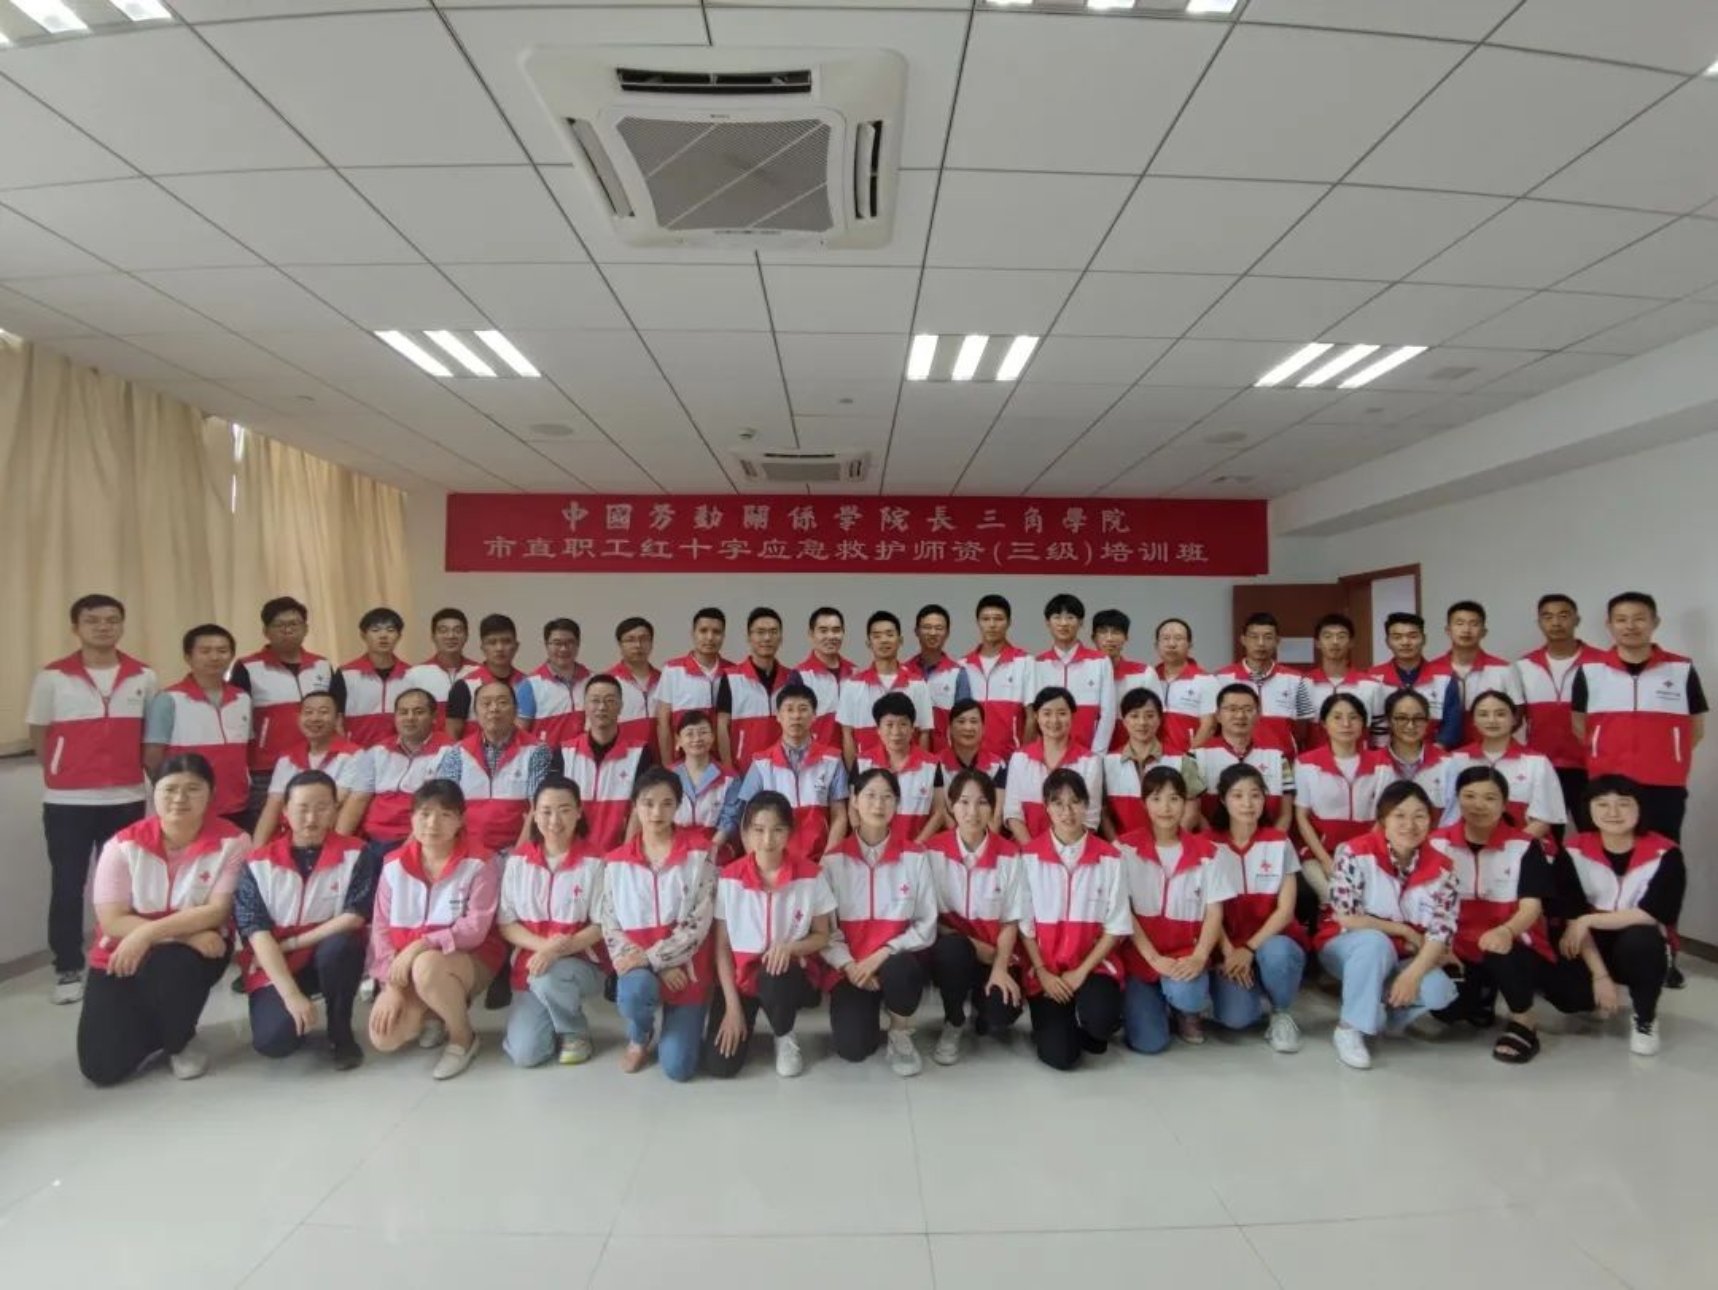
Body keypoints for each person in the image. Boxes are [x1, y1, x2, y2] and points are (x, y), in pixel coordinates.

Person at [76, 754, 247, 1085]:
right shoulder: (122, 845)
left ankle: (179, 1040)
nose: (180, 798)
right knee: (101, 1068)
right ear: (153, 793)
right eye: (169, 789)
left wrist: (150, 935)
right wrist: (178, 934)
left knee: (172, 963)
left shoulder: (233, 842)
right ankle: (159, 1026)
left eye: (192, 789)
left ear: (211, 794)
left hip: (196, 952)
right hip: (127, 946)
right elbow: (112, 921)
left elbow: (217, 911)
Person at [31, 595, 158, 1003]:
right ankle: (67, 966)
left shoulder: (143, 676)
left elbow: (150, 735)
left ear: (122, 625)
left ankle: (123, 954)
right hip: (67, 801)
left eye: (112, 620)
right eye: (93, 621)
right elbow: (40, 734)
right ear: (76, 627)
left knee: (124, 885)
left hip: (126, 795)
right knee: (68, 884)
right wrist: (62, 769)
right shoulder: (53, 677)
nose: (103, 627)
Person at [1315, 781, 1460, 1070]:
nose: (1410, 825)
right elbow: (1347, 917)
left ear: (1430, 821)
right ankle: (1350, 1027)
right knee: (1374, 943)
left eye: (1419, 816)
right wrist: (1404, 931)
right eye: (1399, 815)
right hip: (1347, 946)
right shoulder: (1355, 852)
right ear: (1383, 820)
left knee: (1438, 990)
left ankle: (1383, 1015)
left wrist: (1412, 976)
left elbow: (1440, 932)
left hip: (1404, 955)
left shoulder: (1444, 868)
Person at [234, 770, 374, 1070]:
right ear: (285, 811)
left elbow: (354, 916)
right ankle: (294, 1006)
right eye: (302, 808)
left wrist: (293, 943)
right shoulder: (258, 863)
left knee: (342, 945)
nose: (311, 818)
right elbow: (256, 931)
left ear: (335, 809)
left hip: (327, 953)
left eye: (322, 808)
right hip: (275, 960)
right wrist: (290, 994)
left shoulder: (357, 853)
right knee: (274, 1041)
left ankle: (340, 1031)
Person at [1428, 767, 1569, 1063]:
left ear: (1505, 804)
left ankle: (1524, 1022)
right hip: (1458, 948)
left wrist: (1506, 931)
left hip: (1512, 943)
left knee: (1501, 951)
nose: (1478, 805)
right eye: (1469, 796)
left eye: (1489, 798)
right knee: (1447, 1011)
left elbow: (1531, 908)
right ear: (1457, 800)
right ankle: (1483, 995)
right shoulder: (1436, 842)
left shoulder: (1524, 846)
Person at [367, 780, 504, 1079]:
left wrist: (420, 946)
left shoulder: (480, 862)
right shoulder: (393, 865)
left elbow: (474, 929)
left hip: (468, 958)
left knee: (427, 966)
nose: (432, 824)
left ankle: (463, 1037)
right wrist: (390, 986)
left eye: (445, 815)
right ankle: (435, 1013)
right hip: (407, 965)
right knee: (384, 1037)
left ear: (460, 820)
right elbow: (380, 929)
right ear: (412, 818)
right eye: (425, 814)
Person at [705, 791, 837, 1079]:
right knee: (720, 1066)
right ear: (745, 833)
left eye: (777, 830)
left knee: (775, 974)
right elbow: (722, 947)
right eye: (759, 830)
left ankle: (784, 1033)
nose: (767, 840)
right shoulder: (729, 878)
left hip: (788, 976)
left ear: (789, 832)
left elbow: (822, 936)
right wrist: (732, 1008)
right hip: (742, 981)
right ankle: (749, 1015)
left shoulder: (811, 875)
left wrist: (790, 948)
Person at [820, 767, 938, 1076]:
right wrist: (850, 966)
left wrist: (883, 954)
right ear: (854, 801)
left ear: (897, 804)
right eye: (870, 796)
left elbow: (926, 924)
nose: (878, 804)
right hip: (852, 970)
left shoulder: (915, 857)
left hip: (894, 962)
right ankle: (870, 1009)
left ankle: (900, 1030)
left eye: (887, 797)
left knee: (902, 969)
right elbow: (826, 933)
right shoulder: (832, 862)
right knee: (853, 1049)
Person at [600, 767, 716, 1080]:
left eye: (667, 803)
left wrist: (655, 958)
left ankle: (684, 1018)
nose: (656, 813)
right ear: (635, 806)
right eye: (648, 803)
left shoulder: (700, 855)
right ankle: (640, 1034)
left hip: (686, 971)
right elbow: (610, 925)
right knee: (636, 990)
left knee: (678, 1068)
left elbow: (699, 924)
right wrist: (656, 965)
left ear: (678, 806)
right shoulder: (616, 862)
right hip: (642, 968)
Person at [1560, 775, 1687, 1055]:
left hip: (1638, 934)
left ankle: (1645, 1018)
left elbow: (1653, 913)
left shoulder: (1665, 852)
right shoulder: (1572, 850)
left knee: (1641, 941)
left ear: (1640, 808)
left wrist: (1589, 919)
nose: (1613, 812)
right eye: (1602, 804)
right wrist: (1600, 976)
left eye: (1624, 803)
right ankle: (1596, 994)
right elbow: (1572, 915)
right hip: (1590, 940)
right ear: (1588, 809)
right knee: (1568, 993)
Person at [1016, 768, 1131, 1070]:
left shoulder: (1111, 858)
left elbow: (1116, 927)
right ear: (1046, 807)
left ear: (1087, 805)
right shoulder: (1027, 857)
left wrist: (1081, 972)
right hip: (1047, 972)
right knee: (1062, 1057)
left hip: (1092, 968)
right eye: (1058, 803)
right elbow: (1024, 926)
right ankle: (1057, 1023)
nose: (1067, 812)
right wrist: (1042, 972)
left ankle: (1086, 1017)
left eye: (1075, 802)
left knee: (1100, 1028)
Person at [1114, 766, 1236, 1052]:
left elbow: (1214, 912)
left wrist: (1199, 956)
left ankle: (1186, 1010)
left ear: (1186, 803)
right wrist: (1154, 958)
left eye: (1174, 799)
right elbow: (1122, 910)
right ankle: (1152, 1003)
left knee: (1188, 995)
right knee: (1149, 1043)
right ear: (1144, 803)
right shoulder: (1123, 849)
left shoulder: (1208, 852)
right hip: (1141, 958)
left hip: (1186, 955)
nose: (1165, 808)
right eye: (1156, 799)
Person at [1572, 591, 1706, 844]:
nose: (1630, 626)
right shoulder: (1590, 671)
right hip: (1607, 782)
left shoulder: (1681, 669)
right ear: (1609, 625)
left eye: (1639, 619)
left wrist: (1669, 755)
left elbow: (1696, 729)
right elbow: (1579, 726)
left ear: (1655, 622)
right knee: (1608, 853)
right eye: (1621, 619)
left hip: (1665, 781)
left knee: (1663, 852)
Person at [496, 777, 607, 1068]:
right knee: (526, 1054)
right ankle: (550, 1016)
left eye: (564, 810)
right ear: (533, 813)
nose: (554, 820)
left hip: (580, 965)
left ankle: (574, 1031)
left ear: (579, 811)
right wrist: (545, 948)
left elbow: (600, 926)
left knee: (549, 978)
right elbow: (506, 923)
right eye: (545, 811)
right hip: (531, 965)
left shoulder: (596, 862)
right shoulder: (518, 862)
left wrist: (556, 952)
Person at [922, 770, 1027, 1065]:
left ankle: (982, 1007)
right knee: (954, 950)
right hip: (950, 953)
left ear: (992, 808)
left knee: (1001, 1013)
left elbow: (1011, 919)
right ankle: (954, 1021)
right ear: (951, 806)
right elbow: (925, 918)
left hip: (995, 955)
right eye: (964, 802)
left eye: (982, 803)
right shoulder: (932, 853)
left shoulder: (1010, 855)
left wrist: (1000, 968)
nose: (972, 812)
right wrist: (971, 944)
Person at [1211, 765, 1306, 1053]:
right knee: (1237, 1018)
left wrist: (1249, 949)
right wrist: (1230, 952)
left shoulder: (1279, 842)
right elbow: (1207, 911)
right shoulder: (1208, 845)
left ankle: (1281, 1011)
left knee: (1278, 953)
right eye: (1238, 795)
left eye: (1255, 795)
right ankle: (1255, 989)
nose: (1247, 804)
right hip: (1228, 948)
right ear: (1223, 800)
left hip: (1271, 941)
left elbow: (1285, 911)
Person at [715, 682, 849, 861]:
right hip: (773, 862)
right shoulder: (761, 763)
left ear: (814, 716)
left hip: (819, 861)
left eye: (803, 709)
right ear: (778, 716)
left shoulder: (832, 760)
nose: (796, 716)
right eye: (789, 709)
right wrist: (758, 862)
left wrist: (828, 861)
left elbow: (839, 815)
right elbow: (746, 818)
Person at [230, 596, 335, 822]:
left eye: (294, 624)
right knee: (269, 825)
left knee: (314, 824)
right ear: (266, 631)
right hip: (267, 766)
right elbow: (236, 720)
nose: (287, 630)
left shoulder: (322, 665)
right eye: (279, 625)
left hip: (317, 760)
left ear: (305, 628)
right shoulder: (248, 667)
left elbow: (334, 713)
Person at [144, 624, 252, 828]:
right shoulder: (169, 699)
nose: (214, 657)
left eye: (222, 651)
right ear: (188, 657)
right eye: (205, 651)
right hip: (187, 806)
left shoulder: (242, 698)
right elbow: (152, 757)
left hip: (237, 802)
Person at [1516, 594, 1604, 834]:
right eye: (1548, 617)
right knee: (1546, 840)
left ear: (1577, 620)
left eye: (1563, 616)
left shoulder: (1602, 663)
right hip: (1542, 767)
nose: (1556, 622)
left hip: (1590, 766)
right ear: (1539, 623)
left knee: (1595, 835)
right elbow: (1515, 719)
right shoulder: (1524, 666)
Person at [434, 678, 552, 853]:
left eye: (502, 702)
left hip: (517, 848)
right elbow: (445, 805)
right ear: (475, 712)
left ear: (515, 710)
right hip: (468, 850)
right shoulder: (457, 753)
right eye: (486, 703)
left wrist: (519, 855)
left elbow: (538, 807)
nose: (494, 708)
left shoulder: (537, 751)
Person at [1294, 694, 1387, 907]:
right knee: (1332, 897)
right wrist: (1326, 861)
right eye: (1337, 717)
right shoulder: (1306, 763)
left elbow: (1385, 815)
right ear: (1324, 723)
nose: (1346, 724)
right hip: (1320, 854)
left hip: (1369, 851)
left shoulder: (1382, 763)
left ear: (1363, 723)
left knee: (1368, 901)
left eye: (1353, 717)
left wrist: (1359, 856)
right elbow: (1301, 816)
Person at [336, 687, 450, 856]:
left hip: (417, 842)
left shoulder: (450, 752)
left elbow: (436, 810)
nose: (410, 718)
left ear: (434, 717)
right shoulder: (377, 751)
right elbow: (358, 799)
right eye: (403, 712)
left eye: (418, 712)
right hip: (372, 840)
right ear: (395, 717)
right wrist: (337, 845)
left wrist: (402, 856)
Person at [1442, 691, 1567, 838]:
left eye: (1500, 714)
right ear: (1473, 721)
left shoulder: (1537, 762)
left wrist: (1513, 847)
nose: (1492, 720)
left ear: (1514, 719)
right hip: (1464, 845)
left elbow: (1542, 821)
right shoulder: (1456, 760)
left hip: (1522, 845)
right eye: (1483, 714)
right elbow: (1449, 814)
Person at [1181, 684, 1295, 832]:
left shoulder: (1277, 757)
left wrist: (1270, 842)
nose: (1240, 715)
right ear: (1218, 715)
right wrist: (1214, 842)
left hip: (1266, 841)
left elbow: (1285, 815)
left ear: (1258, 715)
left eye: (1248, 709)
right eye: (1232, 709)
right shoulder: (1196, 756)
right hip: (1210, 841)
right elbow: (1194, 812)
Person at [1195, 612, 1314, 754]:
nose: (1261, 643)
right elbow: (1211, 724)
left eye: (1268, 637)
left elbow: (1304, 730)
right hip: (1233, 759)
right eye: (1254, 637)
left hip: (1282, 759)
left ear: (1277, 641)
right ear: (1243, 640)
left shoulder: (1296, 679)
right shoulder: (1220, 679)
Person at [559, 674, 653, 853]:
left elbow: (641, 809)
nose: (602, 707)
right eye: (595, 700)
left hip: (621, 855)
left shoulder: (640, 753)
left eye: (610, 700)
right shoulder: (564, 753)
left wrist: (625, 856)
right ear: (585, 706)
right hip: (573, 856)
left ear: (621, 706)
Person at [250, 693, 357, 845]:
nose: (315, 718)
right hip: (285, 840)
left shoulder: (353, 756)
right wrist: (257, 852)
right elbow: (273, 806)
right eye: (308, 712)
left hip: (327, 839)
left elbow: (333, 805)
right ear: (298, 718)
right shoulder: (287, 757)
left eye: (323, 712)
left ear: (338, 719)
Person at [1003, 687, 1103, 843]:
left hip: (1073, 851)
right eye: (1047, 713)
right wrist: (1034, 852)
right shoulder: (1019, 758)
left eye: (1062, 713)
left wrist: (1062, 851)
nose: (1054, 721)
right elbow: (1013, 814)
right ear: (1036, 716)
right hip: (1025, 850)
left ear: (1072, 716)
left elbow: (1090, 819)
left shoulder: (1090, 762)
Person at [837, 610, 934, 765]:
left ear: (900, 640)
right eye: (877, 636)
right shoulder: (852, 686)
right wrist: (855, 775)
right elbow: (847, 735)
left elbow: (924, 733)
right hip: (867, 773)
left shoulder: (918, 684)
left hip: (907, 772)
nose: (884, 640)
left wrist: (920, 770)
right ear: (869, 643)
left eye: (890, 634)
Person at [855, 692, 945, 845]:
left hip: (917, 850)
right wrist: (869, 845)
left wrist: (914, 847)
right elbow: (853, 809)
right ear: (878, 729)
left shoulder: (931, 765)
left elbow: (939, 812)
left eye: (903, 724)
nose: (896, 732)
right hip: (873, 849)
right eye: (889, 725)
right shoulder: (862, 763)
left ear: (912, 728)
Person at [1034, 593, 1117, 755]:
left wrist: (1096, 755)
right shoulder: (1037, 664)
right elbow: (1034, 715)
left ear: (1081, 622)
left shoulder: (1100, 661)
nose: (1063, 623)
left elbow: (1108, 713)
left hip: (1088, 754)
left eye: (1070, 617)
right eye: (1057, 617)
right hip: (1048, 755)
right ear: (1047, 623)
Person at [1366, 611, 1461, 749]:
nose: (1405, 642)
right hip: (1383, 756)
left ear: (1424, 639)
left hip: (1433, 754)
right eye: (1397, 637)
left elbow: (1452, 726)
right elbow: (1367, 726)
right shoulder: (1372, 678)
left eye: (1413, 636)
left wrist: (1431, 754)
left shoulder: (1445, 676)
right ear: (1388, 642)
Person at [715, 607, 793, 770]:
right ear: (749, 637)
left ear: (781, 638)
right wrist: (728, 769)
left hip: (783, 768)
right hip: (744, 769)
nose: (767, 637)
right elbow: (722, 726)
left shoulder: (791, 678)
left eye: (773, 632)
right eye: (760, 632)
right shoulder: (731, 677)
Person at [961, 593, 1035, 765]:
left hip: (1011, 761)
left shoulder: (1025, 662)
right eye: (986, 619)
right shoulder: (963, 665)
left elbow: (1031, 718)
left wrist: (1023, 760)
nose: (992, 625)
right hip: (972, 761)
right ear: (978, 622)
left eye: (998, 619)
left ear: (1009, 622)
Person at [654, 607, 730, 766]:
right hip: (683, 762)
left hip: (722, 762)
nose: (710, 637)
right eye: (703, 631)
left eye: (716, 632)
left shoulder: (733, 672)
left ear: (723, 636)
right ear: (693, 633)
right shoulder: (672, 670)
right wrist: (668, 766)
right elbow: (663, 723)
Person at [444, 613, 536, 741]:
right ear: (483, 648)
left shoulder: (529, 684)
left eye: (506, 641)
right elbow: (452, 735)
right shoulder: (464, 686)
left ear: (516, 646)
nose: (499, 648)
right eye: (492, 642)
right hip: (474, 753)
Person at [327, 607, 410, 748]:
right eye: (375, 630)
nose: (383, 635)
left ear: (399, 636)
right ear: (363, 635)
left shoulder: (411, 674)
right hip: (357, 752)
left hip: (399, 753)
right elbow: (335, 719)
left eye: (390, 630)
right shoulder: (346, 674)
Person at [1302, 613, 1385, 750]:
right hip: (1313, 760)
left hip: (1360, 760)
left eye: (1341, 636)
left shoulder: (1371, 685)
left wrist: (1378, 759)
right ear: (1317, 643)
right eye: (1327, 636)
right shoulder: (1303, 684)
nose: (1335, 642)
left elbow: (1381, 732)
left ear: (1351, 642)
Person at [1101, 688, 1171, 839]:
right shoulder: (1108, 762)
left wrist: (1165, 843)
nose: (1142, 722)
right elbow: (1103, 813)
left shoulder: (1180, 759)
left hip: (1167, 846)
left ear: (1160, 719)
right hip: (1123, 847)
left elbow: (1191, 811)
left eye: (1149, 716)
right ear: (1124, 721)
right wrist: (1117, 846)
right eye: (1134, 716)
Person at [1372, 688, 1453, 817]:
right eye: (1402, 718)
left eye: (1418, 718)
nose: (1410, 725)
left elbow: (1451, 815)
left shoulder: (1448, 764)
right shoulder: (1371, 765)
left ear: (1427, 721)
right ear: (1389, 721)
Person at [907, 603, 972, 753]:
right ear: (916, 631)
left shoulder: (958, 673)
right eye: (927, 627)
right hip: (908, 756)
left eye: (939, 628)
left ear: (947, 633)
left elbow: (964, 721)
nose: (933, 632)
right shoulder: (903, 671)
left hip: (946, 756)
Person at [400, 607, 479, 729]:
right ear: (433, 636)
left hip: (471, 741)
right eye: (443, 630)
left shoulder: (479, 672)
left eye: (457, 630)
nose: (451, 636)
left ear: (466, 636)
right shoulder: (415, 675)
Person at [669, 711, 735, 851]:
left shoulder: (730, 778)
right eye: (690, 734)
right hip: (673, 848)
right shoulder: (666, 776)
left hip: (716, 850)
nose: (697, 738)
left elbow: (730, 820)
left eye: (703, 732)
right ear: (678, 740)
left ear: (712, 737)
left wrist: (710, 851)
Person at [523, 617, 590, 748]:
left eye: (570, 642)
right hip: (547, 759)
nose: (564, 649)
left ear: (578, 644)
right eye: (557, 643)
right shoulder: (530, 685)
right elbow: (520, 734)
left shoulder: (593, 681)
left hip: (584, 757)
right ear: (546, 645)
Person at [1092, 609, 1152, 752]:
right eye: (1103, 632)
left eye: (1116, 632)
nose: (1109, 638)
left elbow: (1155, 718)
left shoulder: (1144, 673)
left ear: (1126, 637)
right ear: (1093, 637)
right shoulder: (1082, 673)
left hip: (1130, 753)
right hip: (1087, 752)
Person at [1149, 617, 1209, 756]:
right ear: (1156, 645)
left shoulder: (1206, 680)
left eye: (1178, 638)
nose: (1171, 644)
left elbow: (1209, 726)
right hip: (1153, 758)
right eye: (1166, 638)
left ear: (1190, 645)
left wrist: (1189, 757)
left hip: (1188, 758)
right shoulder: (1149, 678)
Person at [795, 606, 853, 747]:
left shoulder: (854, 673)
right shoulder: (800, 676)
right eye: (823, 631)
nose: (831, 636)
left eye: (836, 630)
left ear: (843, 632)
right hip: (816, 757)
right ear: (811, 634)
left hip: (853, 756)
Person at [608, 615, 661, 750]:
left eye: (644, 639)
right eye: (630, 640)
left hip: (659, 757)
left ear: (651, 643)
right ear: (620, 644)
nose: (638, 645)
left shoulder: (664, 680)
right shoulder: (608, 682)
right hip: (623, 756)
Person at [940, 697, 1008, 790]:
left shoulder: (997, 766)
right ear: (950, 729)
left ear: (983, 729)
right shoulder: (936, 766)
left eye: (974, 721)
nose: (968, 728)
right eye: (961, 721)